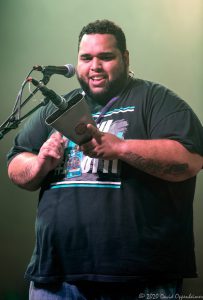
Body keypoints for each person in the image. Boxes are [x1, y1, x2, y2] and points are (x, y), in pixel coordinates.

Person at [7, 19, 203, 300]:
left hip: (141, 278)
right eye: (86, 58)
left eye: (106, 57)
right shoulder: (56, 104)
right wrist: (39, 164)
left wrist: (120, 148)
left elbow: (190, 161)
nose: (94, 66)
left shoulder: (156, 99)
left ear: (124, 58)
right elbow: (16, 163)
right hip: (55, 278)